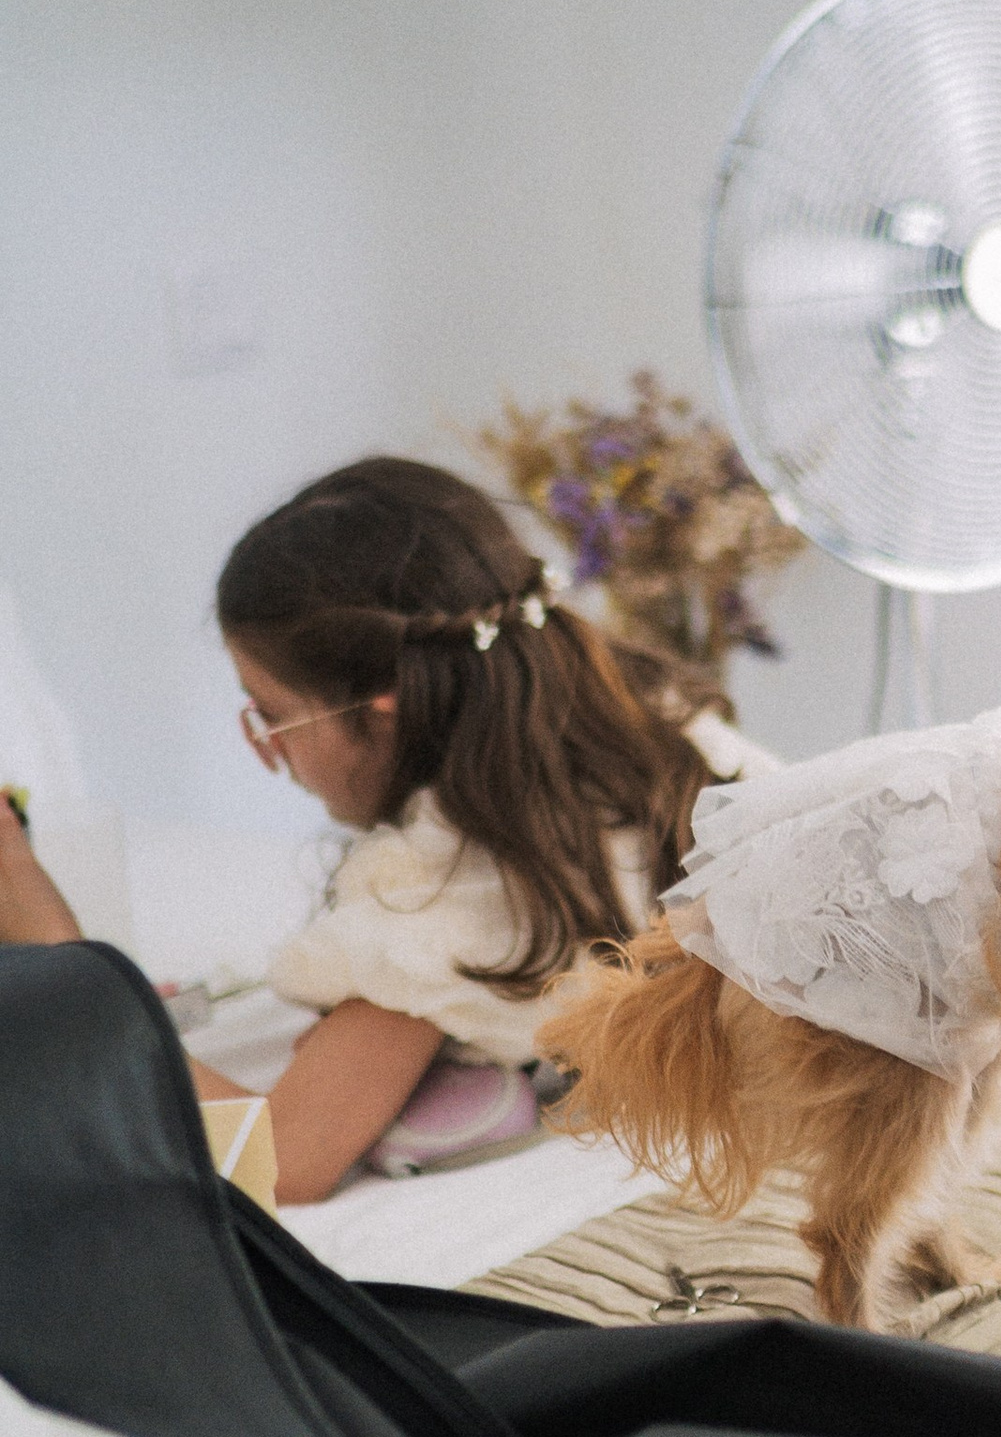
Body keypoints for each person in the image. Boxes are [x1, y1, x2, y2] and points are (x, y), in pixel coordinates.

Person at [0, 458, 765, 1204]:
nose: (268, 749)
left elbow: (280, 1162)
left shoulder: (445, 893)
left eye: (270, 715)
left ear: (384, 700)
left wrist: (65, 961)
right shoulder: (660, 723)